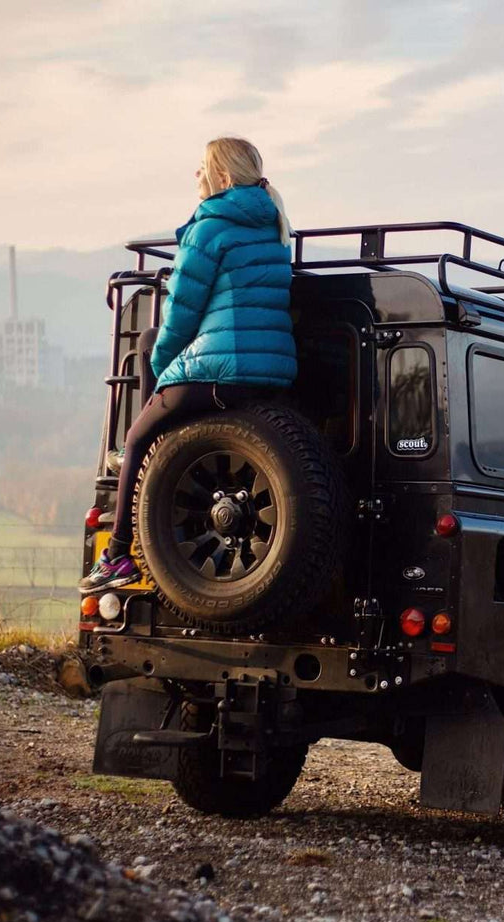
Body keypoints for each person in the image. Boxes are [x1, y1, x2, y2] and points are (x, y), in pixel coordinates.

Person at [80, 137, 295, 593]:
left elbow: (180, 315)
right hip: (271, 372)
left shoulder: (210, 227)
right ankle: (151, 441)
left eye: (200, 168)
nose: (194, 176)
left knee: (138, 430)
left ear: (220, 177)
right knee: (153, 345)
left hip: (220, 374)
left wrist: (162, 373)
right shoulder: (275, 224)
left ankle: (119, 554)